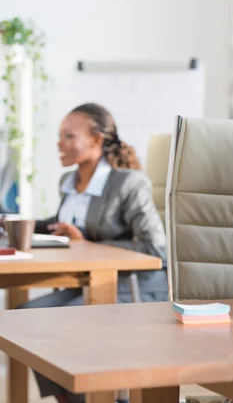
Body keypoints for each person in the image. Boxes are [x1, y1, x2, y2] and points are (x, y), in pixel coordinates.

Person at [24, 103, 168, 403]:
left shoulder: (128, 183)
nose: (59, 143)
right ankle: (73, 399)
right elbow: (60, 223)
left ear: (96, 140)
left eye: (68, 136)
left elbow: (155, 248)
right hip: (88, 281)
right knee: (27, 318)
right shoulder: (69, 182)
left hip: (135, 283)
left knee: (55, 321)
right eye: (60, 135)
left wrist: (87, 243)